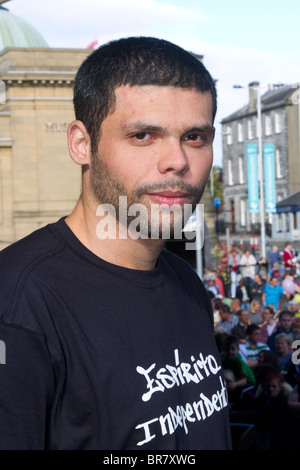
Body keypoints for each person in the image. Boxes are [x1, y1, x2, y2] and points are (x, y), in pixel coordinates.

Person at [0, 37, 232, 450]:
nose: (177, 161)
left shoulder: (185, 281)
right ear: (81, 144)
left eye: (195, 137)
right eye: (143, 135)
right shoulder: (18, 303)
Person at [221, 335, 256, 408]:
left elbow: (244, 380)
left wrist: (235, 384)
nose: (230, 352)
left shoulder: (239, 362)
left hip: (248, 382)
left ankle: (235, 406)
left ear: (238, 350)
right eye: (227, 349)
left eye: (233, 349)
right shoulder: (224, 360)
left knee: (241, 392)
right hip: (235, 379)